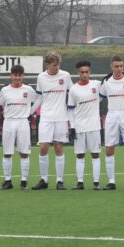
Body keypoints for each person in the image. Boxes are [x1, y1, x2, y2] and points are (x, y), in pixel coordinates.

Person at [32, 51, 73, 190]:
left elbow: (72, 93)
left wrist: (73, 114)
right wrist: (30, 112)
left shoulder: (65, 76)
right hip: (46, 118)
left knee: (59, 147)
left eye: (58, 65)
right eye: (54, 65)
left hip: (61, 118)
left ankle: (59, 181)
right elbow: (39, 97)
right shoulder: (41, 77)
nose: (56, 67)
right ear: (47, 64)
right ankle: (44, 179)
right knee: (43, 147)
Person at [0, 65, 39, 190]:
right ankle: (8, 181)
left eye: (19, 75)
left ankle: (24, 181)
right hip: (8, 122)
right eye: (15, 75)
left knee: (24, 152)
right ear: (11, 76)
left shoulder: (28, 89)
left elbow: (39, 99)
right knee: (7, 153)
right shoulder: (4, 90)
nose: (17, 78)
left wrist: (31, 112)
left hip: (23, 123)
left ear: (23, 76)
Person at [100, 56, 124, 190]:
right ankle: (111, 181)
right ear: (111, 66)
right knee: (109, 148)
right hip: (112, 115)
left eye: (121, 66)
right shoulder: (106, 81)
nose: (119, 69)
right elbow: (99, 97)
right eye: (116, 66)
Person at [68, 60, 102, 190]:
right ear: (78, 73)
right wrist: (72, 126)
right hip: (79, 126)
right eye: (82, 72)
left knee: (95, 154)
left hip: (94, 126)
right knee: (80, 154)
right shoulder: (73, 89)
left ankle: (96, 182)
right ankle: (80, 182)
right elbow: (70, 110)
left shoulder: (97, 85)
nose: (84, 74)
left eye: (86, 72)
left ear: (90, 72)